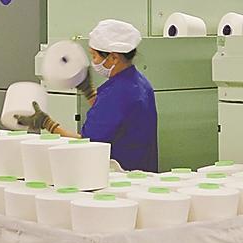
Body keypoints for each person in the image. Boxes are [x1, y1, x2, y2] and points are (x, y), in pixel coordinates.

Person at [22, 19, 159, 171]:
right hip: (141, 169)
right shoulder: (138, 82)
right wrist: (88, 91)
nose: (94, 62)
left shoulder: (117, 92)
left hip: (120, 173)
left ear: (114, 58)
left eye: (94, 56)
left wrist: (47, 123)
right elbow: (112, 117)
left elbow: (86, 144)